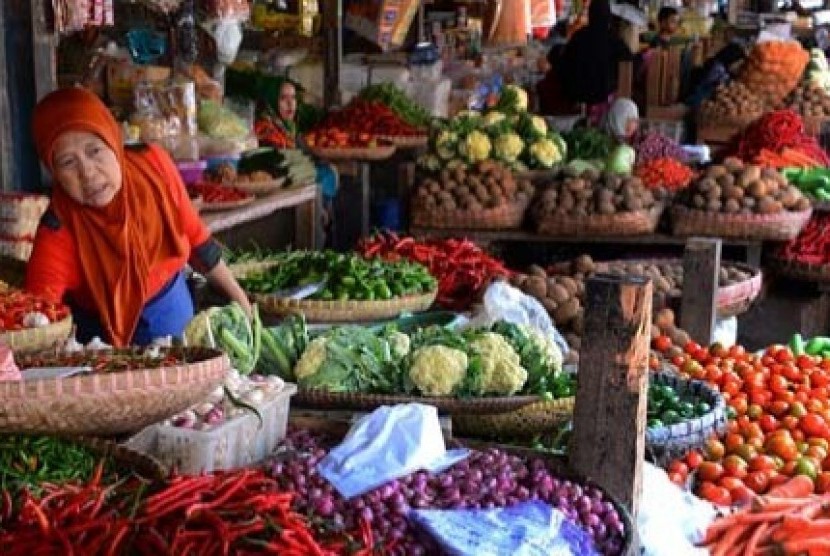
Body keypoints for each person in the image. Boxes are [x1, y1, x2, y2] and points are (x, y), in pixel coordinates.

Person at [25, 87, 252, 347]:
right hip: (101, 345)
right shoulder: (57, 231)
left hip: (172, 315)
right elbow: (37, 320)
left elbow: (199, 243)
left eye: (94, 151)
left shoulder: (153, 167)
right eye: (68, 162)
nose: (87, 173)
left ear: (113, 140)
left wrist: (242, 304)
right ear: (53, 172)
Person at [253, 78, 338, 243]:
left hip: (290, 178)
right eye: (283, 98)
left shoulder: (288, 128)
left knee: (327, 172)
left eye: (293, 98)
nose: (290, 104)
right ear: (271, 100)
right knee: (322, 175)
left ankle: (324, 224)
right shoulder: (265, 128)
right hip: (276, 182)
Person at [558, 0, 634, 123]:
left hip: (577, 95)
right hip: (603, 95)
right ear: (608, 17)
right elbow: (629, 61)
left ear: (590, 15)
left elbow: (565, 63)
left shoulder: (579, 36)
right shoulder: (615, 41)